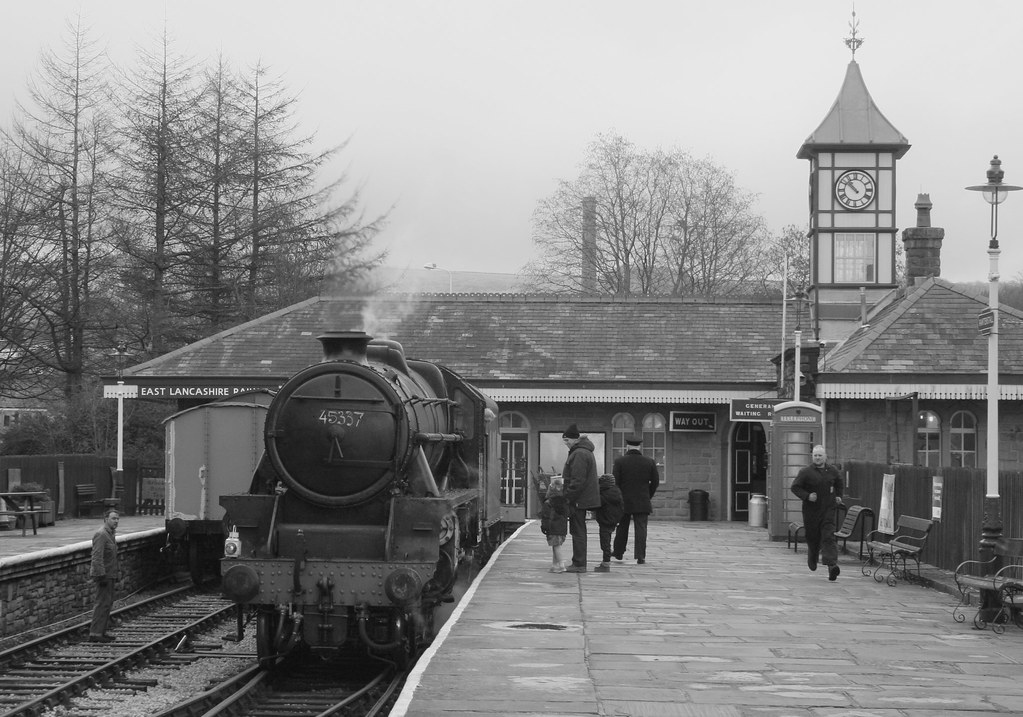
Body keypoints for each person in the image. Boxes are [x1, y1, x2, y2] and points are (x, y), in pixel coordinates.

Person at [791, 445, 844, 581]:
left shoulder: (832, 471)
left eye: (820, 455)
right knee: (813, 537)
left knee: (828, 536)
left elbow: (839, 483)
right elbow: (795, 487)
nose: (818, 458)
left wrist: (839, 496)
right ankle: (812, 555)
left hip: (828, 510)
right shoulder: (806, 472)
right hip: (811, 512)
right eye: (815, 455)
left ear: (825, 457)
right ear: (812, 457)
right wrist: (807, 496)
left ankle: (832, 566)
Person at [612, 435, 660, 564]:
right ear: (639, 447)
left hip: (624, 499)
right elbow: (655, 482)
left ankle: (618, 552)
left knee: (622, 527)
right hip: (642, 499)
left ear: (627, 446)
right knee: (641, 528)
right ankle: (640, 555)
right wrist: (648, 495)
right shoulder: (649, 461)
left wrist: (619, 496)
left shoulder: (620, 461)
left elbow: (615, 482)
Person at [560, 423, 600, 573]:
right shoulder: (583, 451)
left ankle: (579, 563)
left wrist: (567, 497)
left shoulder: (579, 454)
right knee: (579, 529)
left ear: (575, 439)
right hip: (583, 497)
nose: (566, 443)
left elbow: (577, 480)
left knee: (577, 531)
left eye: (567, 440)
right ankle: (579, 561)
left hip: (579, 499)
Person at [89, 508, 120, 642]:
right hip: (104, 575)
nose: (116, 521)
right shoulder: (101, 535)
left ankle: (101, 631)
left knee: (107, 603)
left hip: (110, 574)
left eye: (117, 519)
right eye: (113, 518)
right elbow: (97, 557)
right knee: (102, 603)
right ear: (106, 519)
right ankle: (95, 634)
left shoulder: (110, 535)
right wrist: (101, 575)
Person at [594, 474, 624, 572]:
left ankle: (606, 563)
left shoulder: (604, 495)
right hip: (613, 520)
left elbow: (596, 505)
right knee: (607, 540)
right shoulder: (616, 492)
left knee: (605, 543)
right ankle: (606, 561)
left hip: (605, 520)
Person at [539, 476, 570, 572]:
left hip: (552, 528)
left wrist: (544, 527)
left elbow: (546, 516)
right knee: (556, 546)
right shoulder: (565, 502)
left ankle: (561, 565)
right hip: (562, 528)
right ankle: (554, 565)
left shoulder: (548, 503)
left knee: (556, 547)